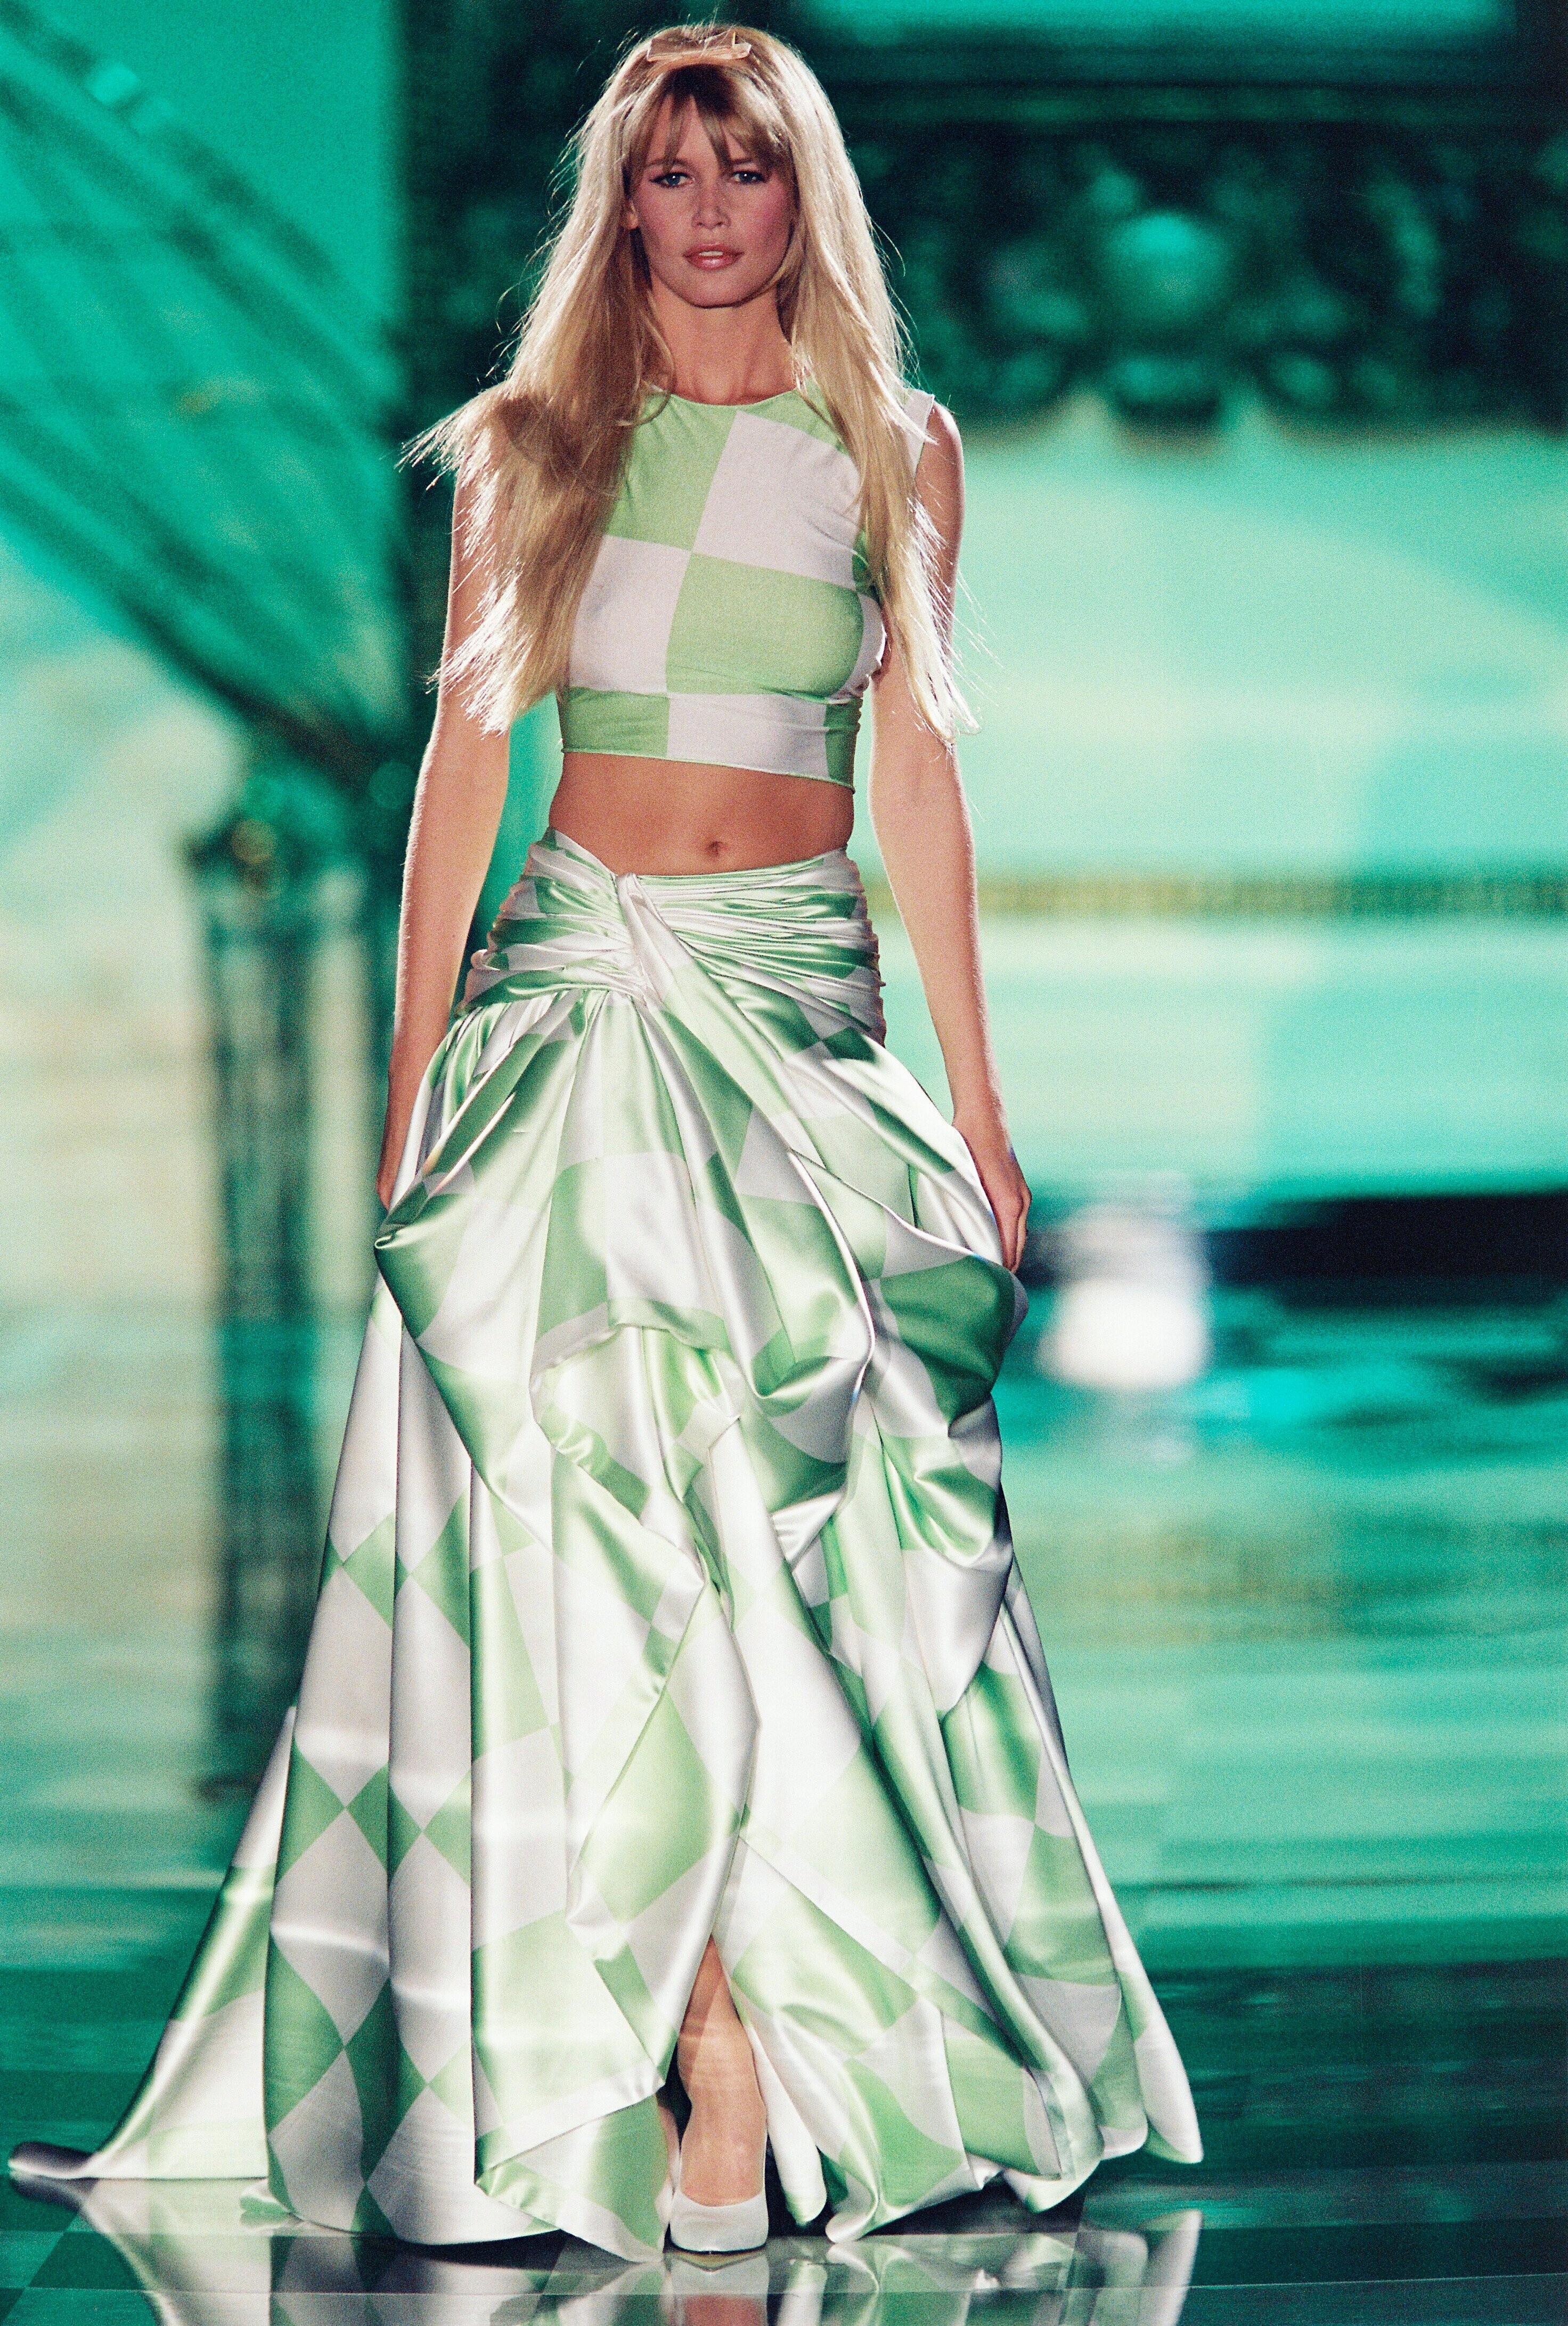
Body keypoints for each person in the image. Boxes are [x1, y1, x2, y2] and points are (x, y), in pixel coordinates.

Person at [10, 21, 1199, 2262]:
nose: (711, 211)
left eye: (747, 169)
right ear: (620, 202)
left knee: (813, 1542)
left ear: (801, 195)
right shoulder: (534, 446)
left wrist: (979, 1097)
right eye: (671, 172)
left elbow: (916, 771)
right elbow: (469, 773)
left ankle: (810, 2023)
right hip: (579, 1011)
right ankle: (704, 2042)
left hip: (798, 1023)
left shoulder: (896, 448)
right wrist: (412, 1090)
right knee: (597, 1542)